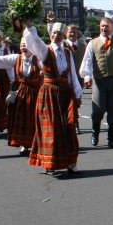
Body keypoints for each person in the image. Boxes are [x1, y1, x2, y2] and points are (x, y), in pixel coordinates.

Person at [22, 20, 84, 176]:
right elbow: (33, 41)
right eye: (54, 33)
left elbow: (72, 75)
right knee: (51, 129)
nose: (56, 36)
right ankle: (50, 163)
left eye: (59, 34)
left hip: (65, 92)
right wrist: (29, 26)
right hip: (49, 93)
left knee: (69, 126)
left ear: (63, 36)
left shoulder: (68, 52)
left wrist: (77, 93)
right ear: (51, 35)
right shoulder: (45, 50)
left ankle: (71, 162)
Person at [0, 39, 41, 155]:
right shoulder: (16, 58)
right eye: (22, 45)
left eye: (26, 45)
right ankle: (23, 145)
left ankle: (35, 143)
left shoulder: (38, 59)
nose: (23, 47)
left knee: (34, 119)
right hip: (20, 93)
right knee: (21, 118)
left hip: (35, 92)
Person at [79, 0, 113, 148]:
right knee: (98, 109)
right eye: (102, 26)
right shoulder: (93, 43)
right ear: (99, 28)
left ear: (112, 28)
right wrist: (87, 76)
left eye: (107, 26)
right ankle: (95, 132)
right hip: (99, 80)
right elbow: (87, 61)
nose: (105, 28)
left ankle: (112, 139)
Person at [47, 12, 85, 135]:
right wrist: (51, 23)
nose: (72, 34)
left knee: (75, 103)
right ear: (66, 34)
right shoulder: (62, 46)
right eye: (70, 32)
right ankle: (73, 125)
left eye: (74, 32)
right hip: (62, 80)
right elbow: (53, 37)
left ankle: (73, 123)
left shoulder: (83, 46)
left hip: (78, 77)